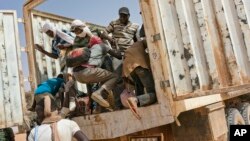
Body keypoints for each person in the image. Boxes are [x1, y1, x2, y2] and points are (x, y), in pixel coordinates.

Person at [70, 20, 118, 108]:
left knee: (108, 80)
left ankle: (113, 103)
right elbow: (77, 54)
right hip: (89, 64)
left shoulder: (93, 30)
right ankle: (95, 107)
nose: (77, 33)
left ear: (82, 27)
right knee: (92, 84)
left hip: (102, 58)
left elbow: (103, 34)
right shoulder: (76, 40)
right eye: (75, 32)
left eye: (78, 30)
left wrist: (110, 39)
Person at [123, 25, 156, 117]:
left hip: (128, 68)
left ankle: (138, 105)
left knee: (139, 87)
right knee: (153, 92)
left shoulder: (135, 44)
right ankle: (136, 100)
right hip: (138, 65)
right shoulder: (146, 41)